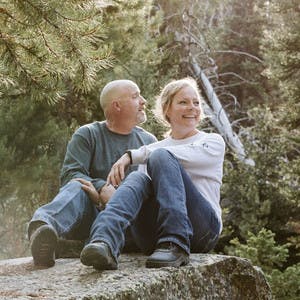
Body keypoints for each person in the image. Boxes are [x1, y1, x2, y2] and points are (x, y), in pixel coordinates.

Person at [80, 77, 226, 270]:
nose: (192, 107)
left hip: (202, 231)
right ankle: (103, 242)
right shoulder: (151, 150)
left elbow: (173, 155)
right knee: (138, 177)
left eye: (196, 102)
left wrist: (132, 155)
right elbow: (142, 198)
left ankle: (176, 243)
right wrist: (106, 199)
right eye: (183, 102)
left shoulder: (212, 141)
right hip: (154, 238)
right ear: (167, 110)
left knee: (161, 157)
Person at [28, 79, 157, 267]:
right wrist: (101, 191)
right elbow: (72, 174)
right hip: (90, 214)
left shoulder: (148, 141)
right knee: (76, 186)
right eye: (136, 96)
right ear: (117, 105)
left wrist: (118, 198)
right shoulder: (88, 134)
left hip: (128, 222)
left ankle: (83, 246)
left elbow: (153, 186)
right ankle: (41, 232)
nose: (143, 101)